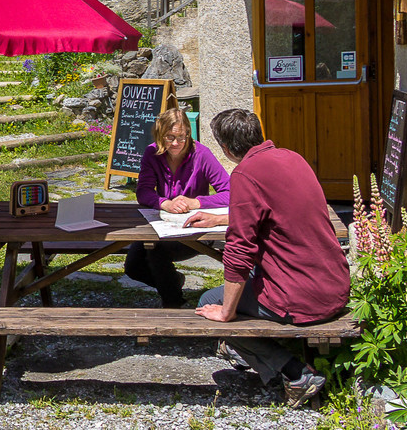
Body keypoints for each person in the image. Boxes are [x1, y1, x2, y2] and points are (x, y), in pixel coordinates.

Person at [189, 108, 350, 409]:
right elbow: (277, 212)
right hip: (335, 285)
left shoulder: (246, 173)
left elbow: (239, 251)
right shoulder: (292, 158)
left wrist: (227, 312)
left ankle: (295, 373)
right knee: (244, 288)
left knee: (208, 302)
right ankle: (248, 352)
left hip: (300, 297)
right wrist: (221, 216)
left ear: (225, 148)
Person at [124, 106, 232, 307]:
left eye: (182, 137)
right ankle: (173, 282)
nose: (176, 143)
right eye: (170, 137)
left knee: (155, 251)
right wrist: (164, 203)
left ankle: (173, 304)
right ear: (159, 135)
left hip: (196, 228)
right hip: (162, 225)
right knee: (132, 267)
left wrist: (196, 202)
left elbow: (230, 192)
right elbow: (143, 191)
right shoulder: (151, 153)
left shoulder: (202, 154)